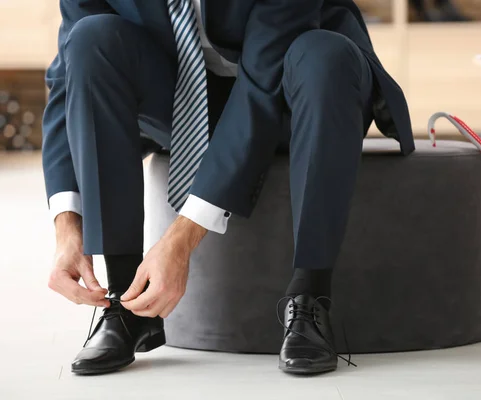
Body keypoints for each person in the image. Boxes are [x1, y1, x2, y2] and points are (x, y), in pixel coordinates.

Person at [44, 0, 414, 376]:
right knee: (91, 39)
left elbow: (260, 85)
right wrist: (67, 226)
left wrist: (182, 238)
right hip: (187, 92)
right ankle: (127, 302)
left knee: (322, 55)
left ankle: (309, 296)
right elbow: (68, 74)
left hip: (302, 87)